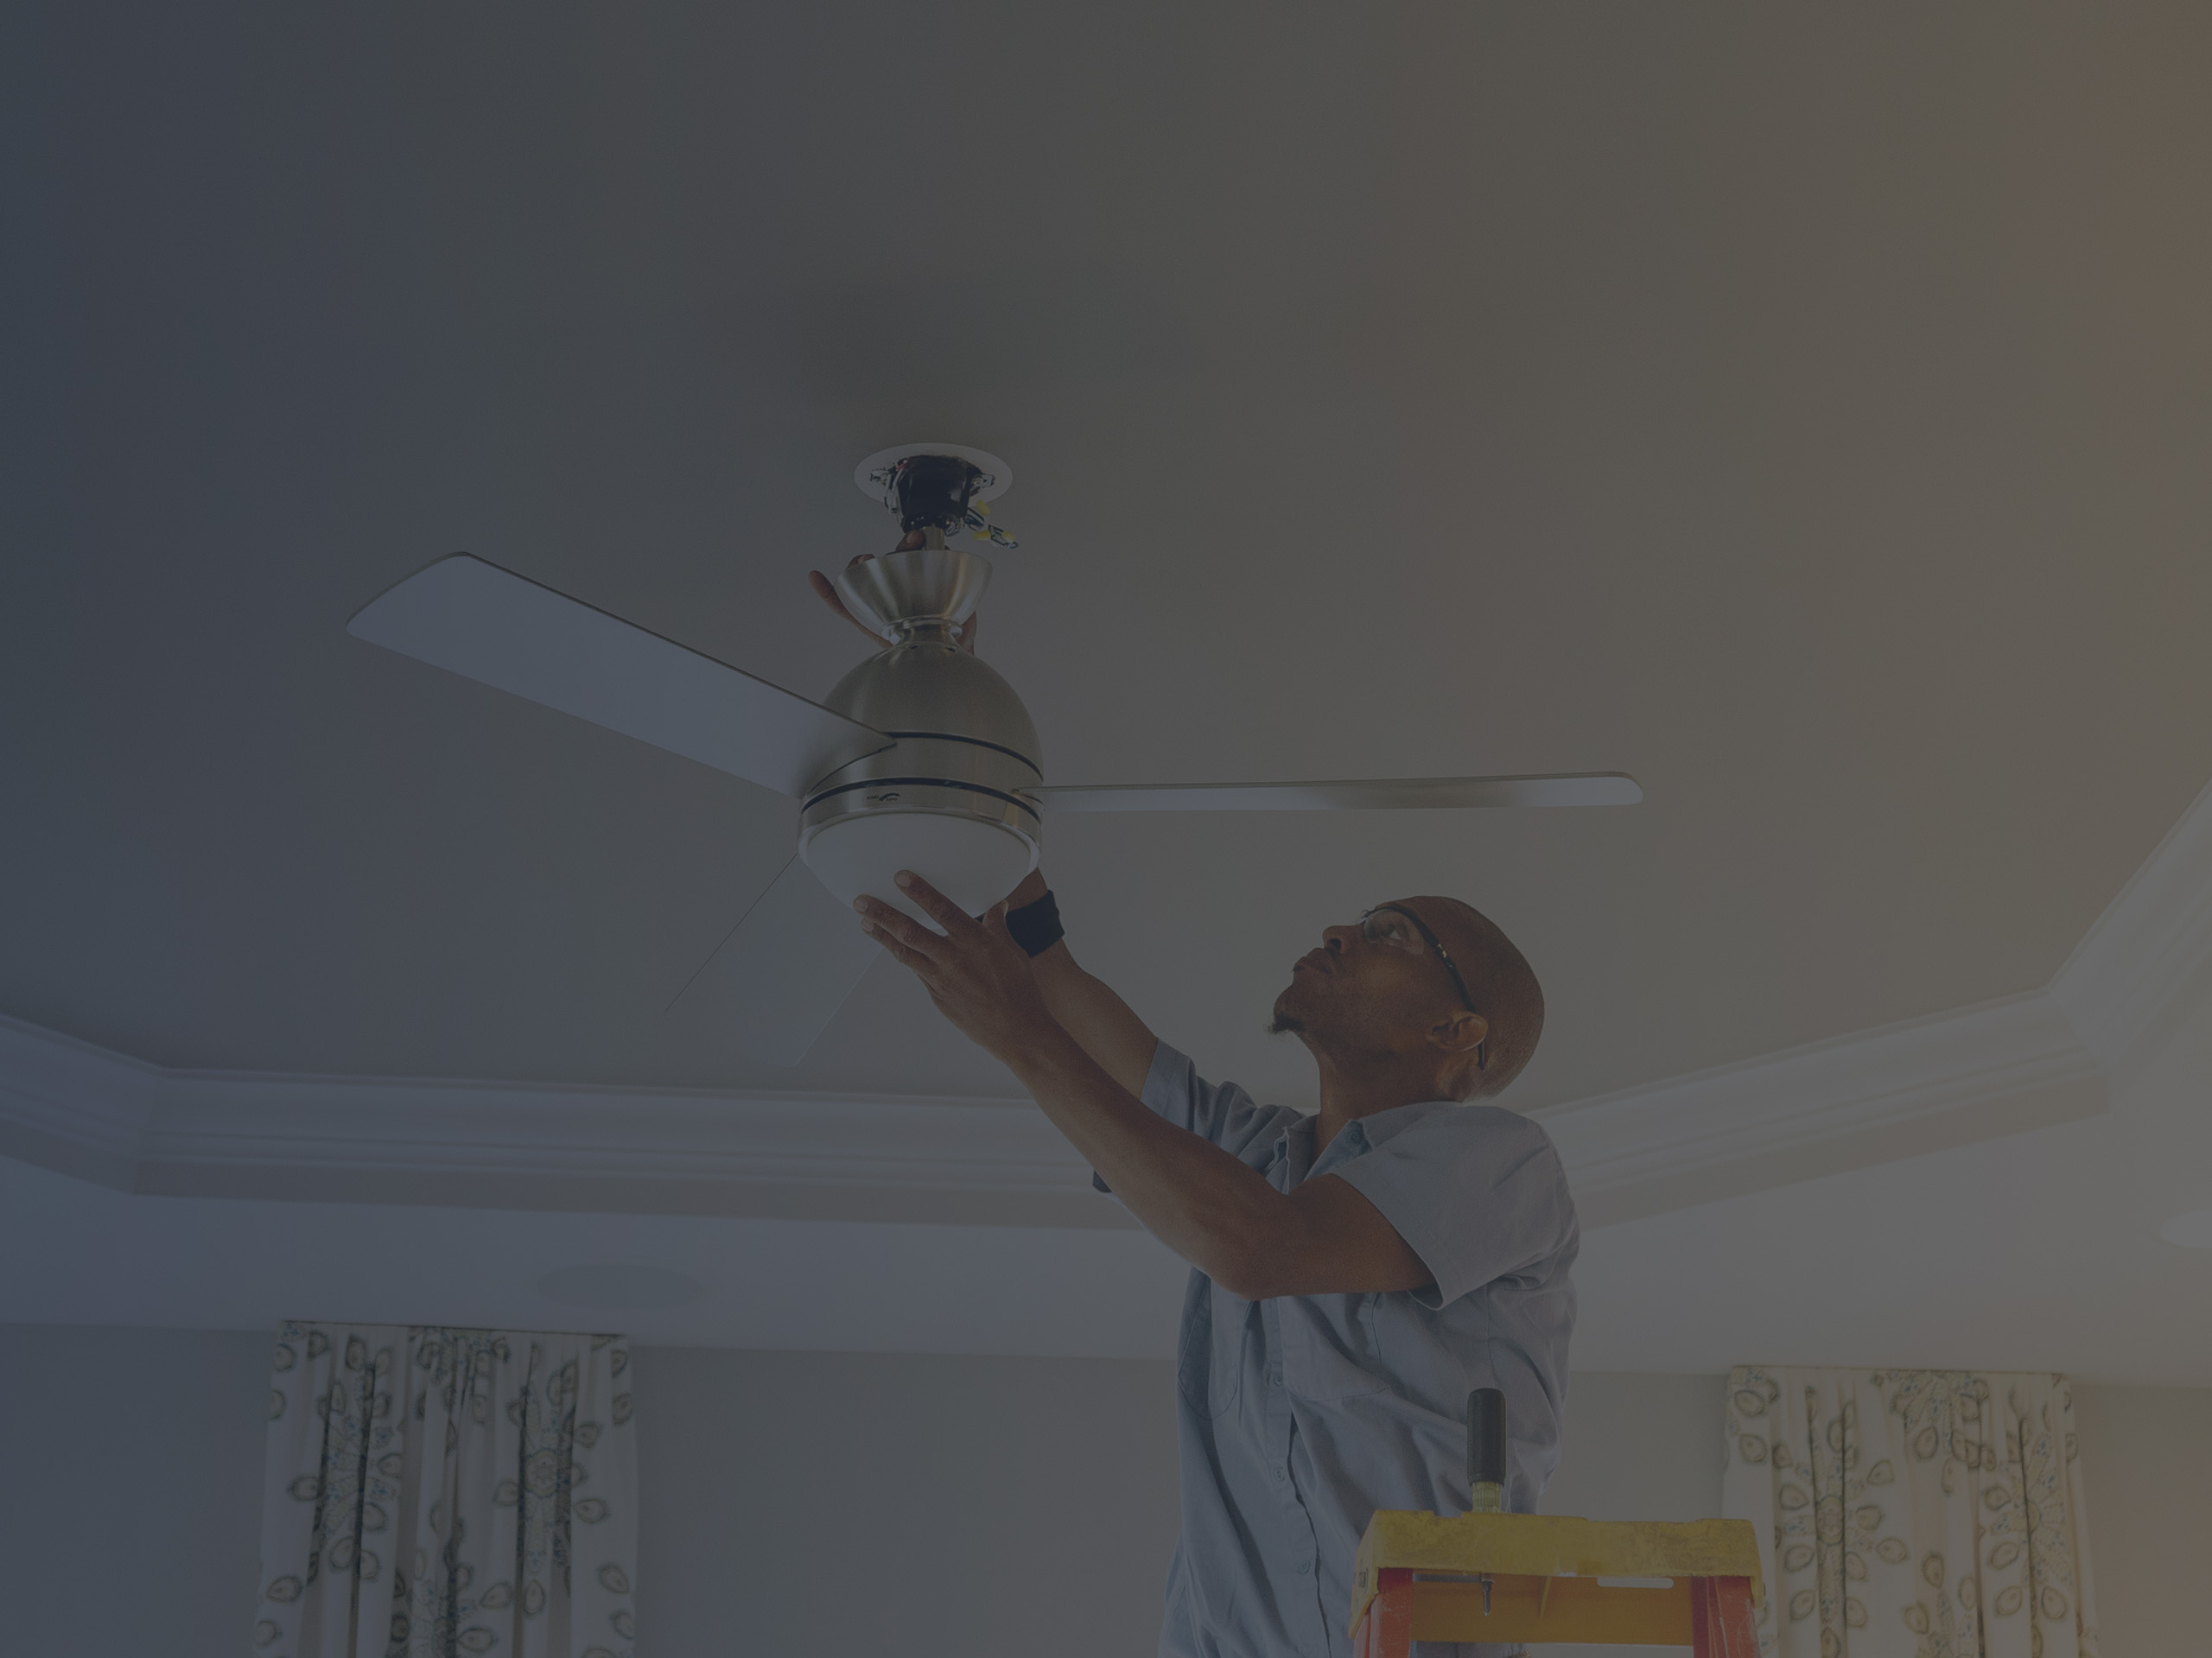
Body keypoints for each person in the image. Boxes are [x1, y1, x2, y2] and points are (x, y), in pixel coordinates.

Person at [811, 574, 1578, 1658]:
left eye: (1392, 933)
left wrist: (1017, 1034)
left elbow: (1259, 1248)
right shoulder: (1257, 1152)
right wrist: (960, 739)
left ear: (1459, 1032)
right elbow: (1048, 967)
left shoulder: (1500, 1163)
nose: (1341, 930)